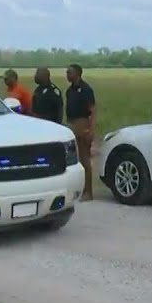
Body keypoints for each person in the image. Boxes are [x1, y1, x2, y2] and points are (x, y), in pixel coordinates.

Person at [65, 64, 97, 201]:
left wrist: (90, 129)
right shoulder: (69, 91)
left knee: (85, 159)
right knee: (73, 159)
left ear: (78, 74)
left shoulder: (86, 89)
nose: (67, 75)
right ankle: (76, 190)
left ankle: (88, 192)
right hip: (71, 123)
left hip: (82, 123)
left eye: (70, 72)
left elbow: (92, 111)